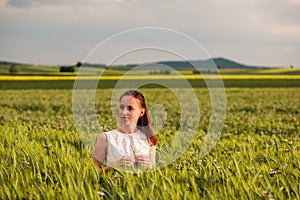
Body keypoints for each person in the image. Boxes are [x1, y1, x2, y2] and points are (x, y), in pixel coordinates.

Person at [93, 90, 157, 172]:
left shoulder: (148, 138)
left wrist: (149, 166)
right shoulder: (105, 138)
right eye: (122, 107)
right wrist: (113, 166)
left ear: (141, 112)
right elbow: (93, 173)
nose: (124, 112)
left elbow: (154, 173)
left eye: (130, 108)